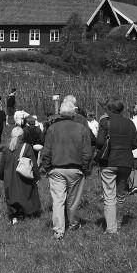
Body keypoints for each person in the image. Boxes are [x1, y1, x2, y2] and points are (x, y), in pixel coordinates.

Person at [41, 101, 93, 240]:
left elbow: (46, 151)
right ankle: (73, 223)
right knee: (73, 200)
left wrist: (47, 167)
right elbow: (87, 152)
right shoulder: (81, 128)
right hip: (76, 169)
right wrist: (85, 168)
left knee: (58, 201)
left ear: (60, 113)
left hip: (56, 169)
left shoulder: (52, 128)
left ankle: (58, 231)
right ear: (74, 113)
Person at [96, 98, 137, 234]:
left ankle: (111, 228)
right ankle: (118, 222)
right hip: (126, 162)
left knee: (109, 195)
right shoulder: (130, 123)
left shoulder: (105, 122)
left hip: (109, 161)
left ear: (108, 109)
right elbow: (136, 144)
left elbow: (99, 143)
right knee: (120, 194)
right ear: (122, 109)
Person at [0, 126, 41, 224]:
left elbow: (2, 165)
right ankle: (25, 213)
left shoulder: (6, 148)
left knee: (11, 196)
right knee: (25, 194)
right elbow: (33, 164)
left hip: (9, 177)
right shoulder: (27, 147)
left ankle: (14, 216)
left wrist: (1, 176)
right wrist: (37, 176)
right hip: (23, 177)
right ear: (22, 136)